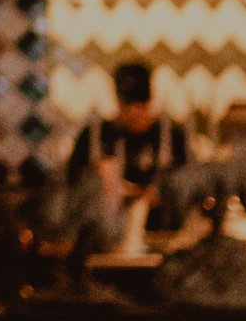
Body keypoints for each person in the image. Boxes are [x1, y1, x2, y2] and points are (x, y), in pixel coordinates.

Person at [69, 62, 191, 235]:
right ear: (118, 104)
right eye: (127, 107)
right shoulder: (95, 135)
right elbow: (72, 182)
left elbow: (190, 183)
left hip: (164, 231)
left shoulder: (172, 136)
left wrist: (160, 193)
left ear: (150, 103)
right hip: (105, 234)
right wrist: (97, 179)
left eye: (141, 107)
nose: (134, 114)